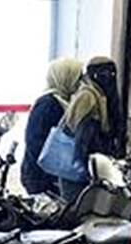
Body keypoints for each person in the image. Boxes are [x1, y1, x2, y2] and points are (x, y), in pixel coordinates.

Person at [55, 57, 124, 200]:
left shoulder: (101, 97)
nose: (109, 79)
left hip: (92, 168)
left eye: (112, 74)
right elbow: (81, 140)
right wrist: (86, 172)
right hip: (79, 172)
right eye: (103, 74)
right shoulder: (88, 97)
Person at [23, 57, 82, 196]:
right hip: (41, 178)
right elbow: (34, 142)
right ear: (65, 78)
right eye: (77, 78)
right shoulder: (47, 105)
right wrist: (51, 173)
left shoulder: (62, 102)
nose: (80, 83)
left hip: (51, 175)